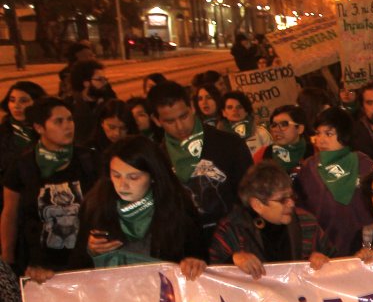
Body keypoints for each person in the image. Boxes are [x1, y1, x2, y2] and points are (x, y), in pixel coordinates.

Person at [72, 136, 207, 276]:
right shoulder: (96, 204)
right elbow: (77, 267)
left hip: (162, 292)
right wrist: (91, 250)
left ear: (153, 176)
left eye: (133, 177)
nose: (122, 185)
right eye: (116, 175)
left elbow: (199, 257)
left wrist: (193, 264)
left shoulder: (178, 206)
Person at [1, 98, 99, 282]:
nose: (68, 126)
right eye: (58, 121)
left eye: (70, 119)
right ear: (39, 128)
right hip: (39, 268)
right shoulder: (22, 166)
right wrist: (8, 260)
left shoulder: (89, 160)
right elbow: (10, 214)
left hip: (85, 263)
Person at [147, 81, 253, 240]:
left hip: (234, 242)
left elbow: (250, 195)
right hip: (187, 248)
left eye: (184, 116)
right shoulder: (156, 158)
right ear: (156, 120)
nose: (180, 126)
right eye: (170, 121)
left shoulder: (229, 144)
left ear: (192, 107)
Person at [210, 162, 333, 279]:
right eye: (282, 200)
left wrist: (324, 260)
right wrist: (233, 260)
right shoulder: (232, 228)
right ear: (257, 205)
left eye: (291, 196)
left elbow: (336, 263)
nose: (291, 203)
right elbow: (211, 276)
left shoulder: (307, 223)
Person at [296, 107, 373, 255]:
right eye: (318, 133)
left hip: (365, 246)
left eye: (329, 133)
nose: (321, 139)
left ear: (344, 135)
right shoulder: (308, 167)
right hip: (325, 249)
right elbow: (300, 208)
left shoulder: (364, 163)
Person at [0, 82, 47, 209]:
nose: (16, 106)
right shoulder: (4, 133)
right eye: (12, 100)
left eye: (24, 101)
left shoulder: (47, 132)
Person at [66, 60, 117, 141]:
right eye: (99, 79)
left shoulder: (110, 102)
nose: (105, 83)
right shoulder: (69, 106)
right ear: (86, 83)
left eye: (105, 79)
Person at [255, 105, 310, 175]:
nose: (277, 130)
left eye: (284, 124)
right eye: (274, 125)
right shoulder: (263, 154)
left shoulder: (314, 151)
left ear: (300, 129)